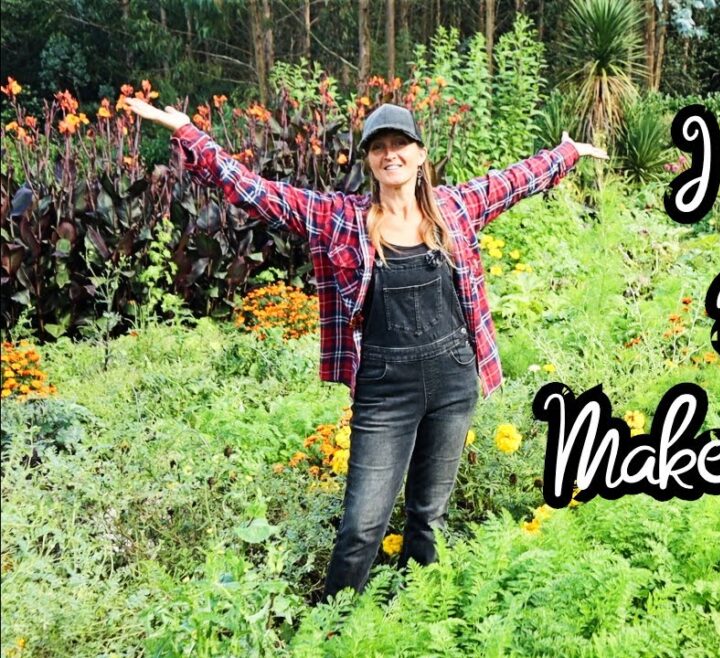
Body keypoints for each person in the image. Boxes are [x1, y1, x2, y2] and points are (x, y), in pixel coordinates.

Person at [125, 97, 607, 602]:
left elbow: (514, 180)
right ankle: (329, 630)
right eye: (379, 147)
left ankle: (420, 612)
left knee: (428, 517)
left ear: (421, 155)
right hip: (384, 390)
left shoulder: (456, 209)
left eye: (400, 143)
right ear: (369, 161)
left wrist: (565, 153)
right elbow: (257, 193)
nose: (390, 153)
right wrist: (187, 130)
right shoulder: (341, 219)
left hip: (453, 380)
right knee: (362, 524)